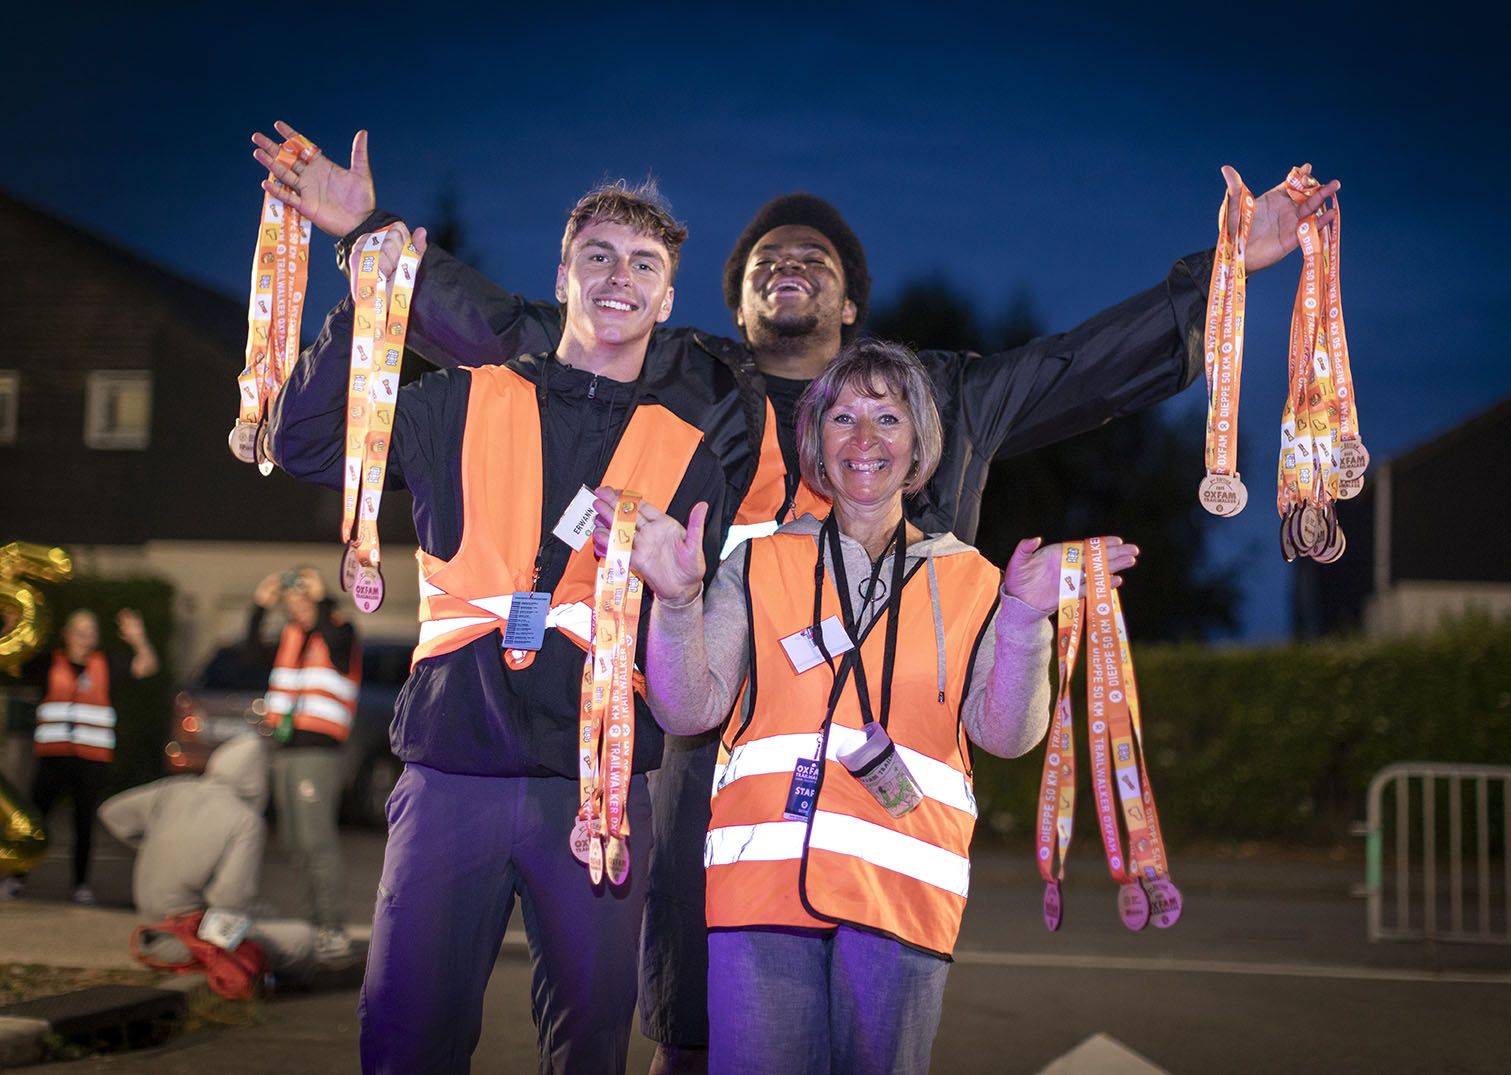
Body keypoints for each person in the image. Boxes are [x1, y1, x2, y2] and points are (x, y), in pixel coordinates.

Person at [251, 121, 1334, 1070]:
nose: (789, 265)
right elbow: (527, 328)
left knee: (864, 1033)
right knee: (686, 1020)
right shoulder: (679, 377)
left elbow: (1089, 365)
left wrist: (1230, 267)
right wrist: (368, 234)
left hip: (881, 780)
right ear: (724, 300)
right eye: (766, 257)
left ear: (852, 302)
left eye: (814, 257)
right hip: (695, 742)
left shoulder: (935, 397)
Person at [267, 179, 726, 1074]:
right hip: (451, 772)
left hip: (595, 794)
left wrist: (678, 598)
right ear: (563, 275)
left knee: (589, 1047)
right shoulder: (456, 403)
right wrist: (364, 306)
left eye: (643, 264)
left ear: (667, 299)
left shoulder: (691, 454)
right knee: (406, 1041)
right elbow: (309, 444)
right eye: (596, 255)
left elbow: (687, 664)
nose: (617, 277)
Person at [604, 338, 1137, 1072]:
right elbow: (686, 709)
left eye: (887, 418)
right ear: (815, 442)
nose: (863, 439)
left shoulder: (974, 578)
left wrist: (1021, 620)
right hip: (761, 900)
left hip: (901, 906)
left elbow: (1007, 734)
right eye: (842, 418)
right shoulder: (758, 562)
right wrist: (676, 600)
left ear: (919, 443)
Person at [97, 733, 326, 981]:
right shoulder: (245, 821)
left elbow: (111, 813)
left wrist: (152, 845)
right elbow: (228, 901)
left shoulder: (174, 789)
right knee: (302, 938)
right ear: (258, 781)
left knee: (266, 917)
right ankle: (271, 984)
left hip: (148, 931)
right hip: (188, 939)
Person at [0, 608, 157, 905]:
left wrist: (139, 639)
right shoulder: (49, 663)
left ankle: (80, 885)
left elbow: (146, 666)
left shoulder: (107, 665)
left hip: (92, 759)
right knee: (34, 819)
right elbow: (13, 662)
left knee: (84, 823)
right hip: (53, 757)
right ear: (67, 634)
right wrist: (10, 626)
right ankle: (17, 878)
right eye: (81, 630)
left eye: (91, 631)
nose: (87, 637)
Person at [245, 566, 359, 960]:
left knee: (317, 840)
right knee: (294, 841)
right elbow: (250, 652)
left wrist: (324, 596)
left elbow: (336, 642)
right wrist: (260, 608)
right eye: (291, 600)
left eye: (303, 598)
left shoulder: (340, 631)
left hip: (319, 752)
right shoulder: (291, 635)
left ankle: (333, 927)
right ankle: (315, 924)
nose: (296, 605)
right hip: (287, 750)